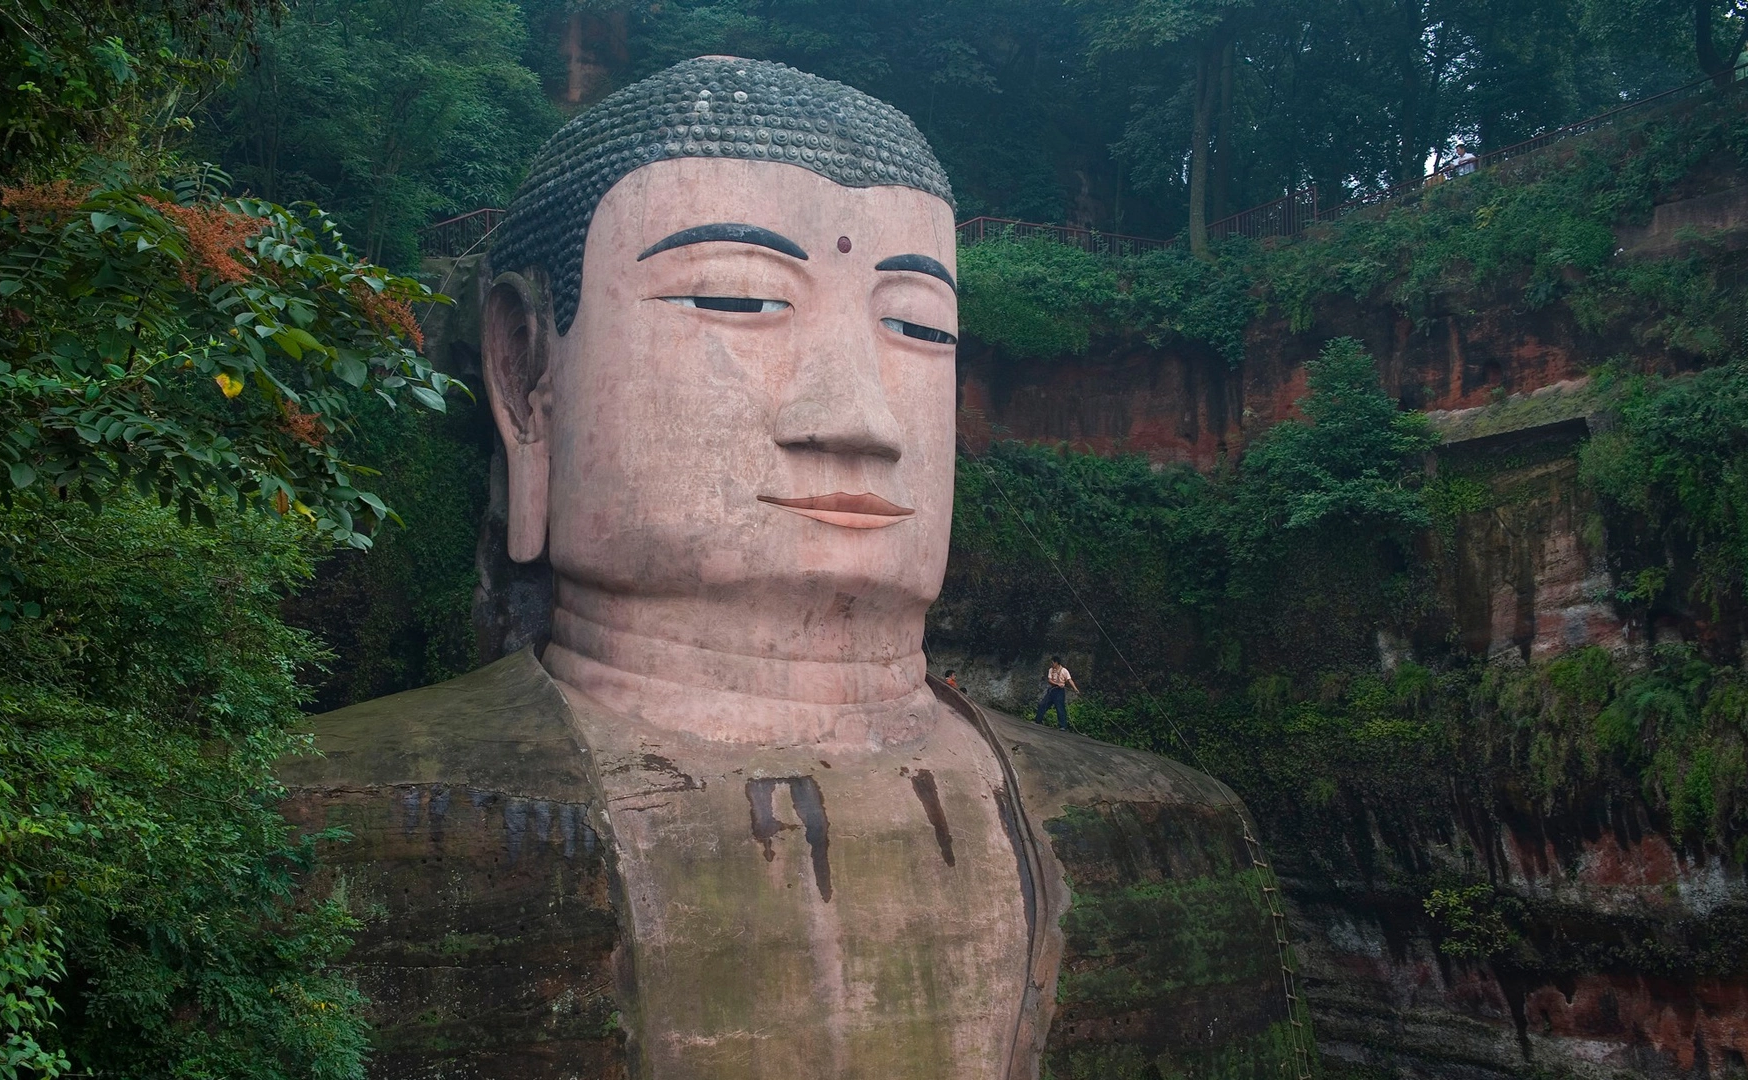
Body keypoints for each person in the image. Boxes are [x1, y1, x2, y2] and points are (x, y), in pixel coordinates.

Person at [283, 55, 1288, 1080]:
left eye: (918, 326)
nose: (859, 416)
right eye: (740, 298)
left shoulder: (1161, 831)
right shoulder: (325, 823)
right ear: (525, 373)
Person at [1033, 655, 1079, 730]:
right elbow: (1049, 680)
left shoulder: (1064, 671)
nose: (1051, 664)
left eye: (1052, 663)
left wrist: (1075, 689)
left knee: (1060, 708)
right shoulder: (1051, 670)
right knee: (1043, 704)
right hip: (1052, 690)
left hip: (1059, 692)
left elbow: (1069, 680)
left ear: (1056, 663)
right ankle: (1038, 720)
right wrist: (1057, 684)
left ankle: (1062, 726)